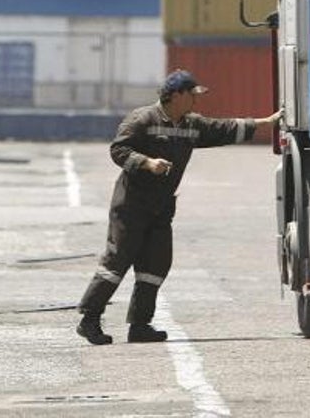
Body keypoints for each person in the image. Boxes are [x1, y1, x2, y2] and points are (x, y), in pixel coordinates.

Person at [76, 68, 282, 345]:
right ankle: (89, 319)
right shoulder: (142, 119)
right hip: (132, 206)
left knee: (156, 265)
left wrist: (266, 122)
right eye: (192, 95)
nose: (196, 101)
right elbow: (119, 150)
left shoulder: (190, 124)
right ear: (176, 95)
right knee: (117, 263)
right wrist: (147, 163)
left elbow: (224, 128)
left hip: (161, 209)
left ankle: (140, 325)